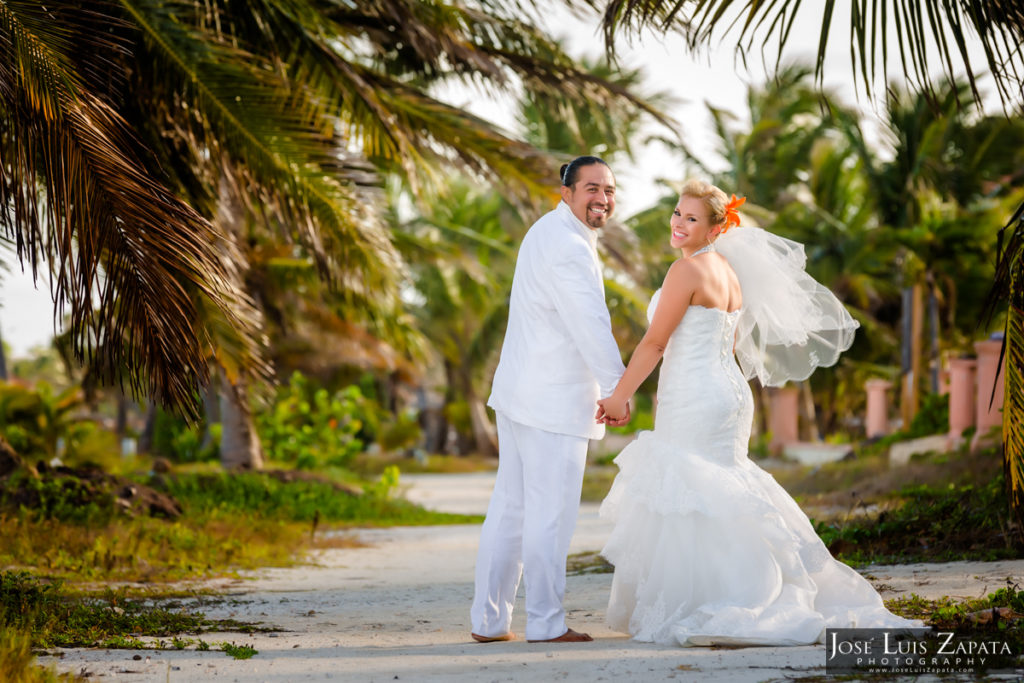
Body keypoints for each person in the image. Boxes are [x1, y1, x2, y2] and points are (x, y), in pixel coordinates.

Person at [594, 179, 921, 646]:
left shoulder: (684, 273)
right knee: (721, 486)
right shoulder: (728, 272)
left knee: (693, 490)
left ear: (714, 228)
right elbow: (721, 344)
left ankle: (724, 595)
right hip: (728, 394)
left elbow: (656, 343)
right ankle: (748, 585)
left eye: (691, 218)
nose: (678, 224)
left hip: (698, 396)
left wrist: (620, 396)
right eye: (676, 213)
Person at [470, 156, 629, 644]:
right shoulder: (568, 246)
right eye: (591, 188)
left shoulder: (547, 231)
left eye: (609, 189)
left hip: (521, 396)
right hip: (552, 402)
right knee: (549, 513)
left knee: (512, 509)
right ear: (567, 193)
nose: (602, 197)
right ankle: (545, 622)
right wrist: (616, 389)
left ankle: (489, 621)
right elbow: (590, 323)